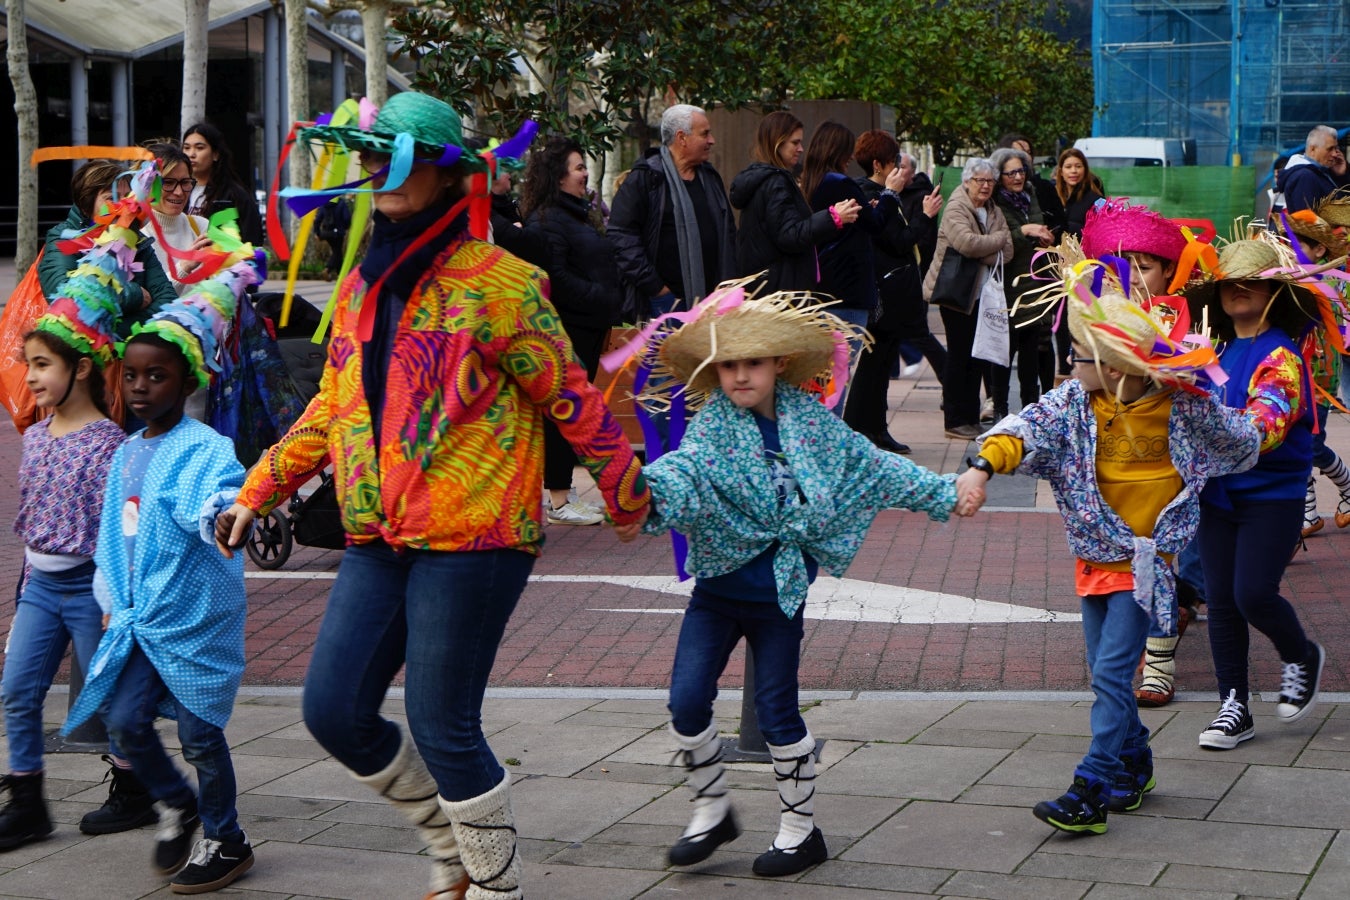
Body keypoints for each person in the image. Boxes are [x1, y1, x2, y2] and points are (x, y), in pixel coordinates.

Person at [214, 92, 651, 900]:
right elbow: (335, 403)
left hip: (475, 535)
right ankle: (452, 846)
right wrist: (262, 486)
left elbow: (572, 396)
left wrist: (626, 496)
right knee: (334, 708)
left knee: (442, 724)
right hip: (378, 530)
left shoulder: (503, 283)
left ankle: (493, 887)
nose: (377, 170)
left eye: (396, 156)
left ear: (447, 177)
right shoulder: (362, 286)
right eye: (371, 157)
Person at [631, 289, 968, 876]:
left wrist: (945, 491)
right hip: (716, 590)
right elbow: (684, 471)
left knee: (778, 712)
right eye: (729, 365)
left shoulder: (813, 425)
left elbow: (871, 465)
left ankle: (799, 830)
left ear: (779, 363)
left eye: (752, 363)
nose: (739, 376)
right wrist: (639, 490)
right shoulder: (713, 424)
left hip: (780, 593)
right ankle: (712, 808)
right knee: (686, 701)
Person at [957, 264, 1259, 835]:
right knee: (1104, 671)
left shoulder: (1180, 403)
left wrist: (1268, 420)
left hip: (1145, 567)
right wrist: (980, 466)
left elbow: (1239, 435)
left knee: (1111, 677)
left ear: (1116, 365)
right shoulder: (1072, 402)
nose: (1070, 363)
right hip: (1094, 558)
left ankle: (1090, 789)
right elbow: (1021, 429)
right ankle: (1136, 764)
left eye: (1078, 354)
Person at [63, 256, 262, 893]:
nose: (143, 387)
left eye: (159, 375)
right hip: (138, 617)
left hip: (190, 613)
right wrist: (108, 595)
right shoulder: (126, 452)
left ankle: (228, 840)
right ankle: (177, 802)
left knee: (202, 733)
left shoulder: (205, 447)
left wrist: (222, 517)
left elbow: (214, 499)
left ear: (188, 380)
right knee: (124, 722)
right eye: (133, 376)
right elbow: (115, 537)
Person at [0, 194, 152, 851]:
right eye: (28, 364)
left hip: (92, 593)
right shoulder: (35, 436)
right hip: (40, 590)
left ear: (81, 370)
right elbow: (33, 522)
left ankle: (133, 790)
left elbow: (121, 538)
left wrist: (119, 605)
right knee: (16, 691)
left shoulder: (110, 446)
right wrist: (23, 587)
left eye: (42, 366)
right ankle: (27, 799)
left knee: (114, 703)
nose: (29, 378)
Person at [1182, 237, 1333, 750]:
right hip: (1217, 497)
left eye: (1254, 282)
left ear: (1275, 294)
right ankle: (1234, 707)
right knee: (1221, 601)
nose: (1239, 291)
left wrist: (1201, 427)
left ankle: (1301, 654)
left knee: (1252, 594)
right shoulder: (1212, 353)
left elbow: (1263, 427)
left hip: (1272, 496)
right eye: (1230, 284)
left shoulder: (1283, 357)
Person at [1078, 199, 1201, 709]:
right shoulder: (1098, 310)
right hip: (1112, 460)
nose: (1129, 275)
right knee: (1122, 567)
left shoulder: (1176, 314)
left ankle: (1159, 661)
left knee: (1162, 561)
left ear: (1169, 270)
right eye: (1116, 265)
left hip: (1164, 460)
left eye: (1143, 265)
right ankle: (1125, 659)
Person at [520, 136, 625, 526]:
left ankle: (564, 495)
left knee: (570, 412)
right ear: (558, 176)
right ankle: (560, 500)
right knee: (561, 413)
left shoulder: (575, 214)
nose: (585, 174)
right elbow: (555, 280)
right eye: (579, 167)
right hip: (568, 328)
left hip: (589, 325)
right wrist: (599, 295)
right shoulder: (546, 221)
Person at [846, 131, 943, 452]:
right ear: (878, 164)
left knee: (880, 363)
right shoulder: (871, 194)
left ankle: (872, 428)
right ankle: (864, 429)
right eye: (894, 163)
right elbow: (898, 241)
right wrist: (926, 216)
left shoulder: (878, 192)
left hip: (891, 291)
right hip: (882, 291)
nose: (900, 171)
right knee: (874, 365)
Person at [608, 104, 737, 319]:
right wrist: (657, 288)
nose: (712, 140)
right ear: (682, 138)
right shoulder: (647, 179)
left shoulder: (710, 178)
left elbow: (728, 233)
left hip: (714, 304)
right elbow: (620, 237)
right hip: (663, 306)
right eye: (705, 134)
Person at [1271, 205, 1350, 539]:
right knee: (1292, 440)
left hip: (1319, 378)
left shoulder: (1336, 282)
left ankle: (1346, 486)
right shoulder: (1280, 280)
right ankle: (1309, 514)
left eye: (1297, 243)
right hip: (1287, 374)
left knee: (1312, 444)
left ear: (1319, 249)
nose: (1289, 249)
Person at [922, 158, 1014, 440]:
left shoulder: (992, 208)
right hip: (957, 294)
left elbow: (1008, 250)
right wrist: (996, 242)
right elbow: (966, 243)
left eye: (990, 181)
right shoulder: (956, 207)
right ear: (966, 182)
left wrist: (991, 245)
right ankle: (954, 419)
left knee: (978, 357)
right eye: (980, 181)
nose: (985, 186)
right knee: (959, 356)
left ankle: (970, 417)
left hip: (982, 296)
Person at [728, 111, 859, 294]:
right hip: (781, 293)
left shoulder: (763, 180)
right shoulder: (776, 182)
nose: (801, 149)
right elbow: (789, 235)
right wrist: (832, 217)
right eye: (795, 142)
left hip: (769, 290)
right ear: (777, 143)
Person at [37, 159, 177, 326]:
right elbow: (70, 300)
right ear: (85, 205)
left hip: (130, 347)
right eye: (112, 198)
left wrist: (120, 332)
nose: (124, 206)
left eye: (128, 197)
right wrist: (135, 295)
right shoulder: (63, 238)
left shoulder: (137, 240)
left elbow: (168, 301)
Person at [990, 146, 1056, 416]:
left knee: (1031, 354)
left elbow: (1040, 229)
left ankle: (1030, 411)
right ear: (999, 176)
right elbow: (996, 241)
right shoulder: (994, 202)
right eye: (1010, 173)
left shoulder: (1031, 196)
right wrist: (1022, 231)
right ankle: (1000, 410)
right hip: (1007, 287)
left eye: (1021, 171)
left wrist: (1045, 239)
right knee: (1003, 355)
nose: (1017, 177)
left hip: (1034, 284)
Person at [894, 151, 949, 381]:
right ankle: (891, 370)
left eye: (902, 166)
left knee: (915, 327)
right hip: (898, 273)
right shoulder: (894, 194)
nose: (897, 169)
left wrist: (905, 239)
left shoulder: (923, 196)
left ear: (913, 171)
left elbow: (925, 239)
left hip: (917, 272)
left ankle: (947, 371)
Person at [1054, 148, 1106, 380]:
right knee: (1060, 317)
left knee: (1079, 315)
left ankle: (1081, 366)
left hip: (1083, 269)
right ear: (1061, 171)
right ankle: (1064, 369)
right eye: (1068, 166)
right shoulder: (1053, 195)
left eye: (1078, 166)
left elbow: (1102, 230)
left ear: (1084, 169)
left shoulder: (1094, 199)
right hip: (1055, 268)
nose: (1073, 171)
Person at [142, 143, 215, 295]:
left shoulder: (201, 226)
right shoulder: (135, 237)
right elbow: (149, 300)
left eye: (185, 182)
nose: (179, 192)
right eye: (168, 182)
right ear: (148, 184)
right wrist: (184, 267)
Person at [181, 122, 265, 245]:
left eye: (199, 148)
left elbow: (252, 240)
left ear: (215, 154)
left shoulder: (234, 195)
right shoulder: (178, 191)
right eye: (186, 148)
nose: (191, 154)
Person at [1276, 126, 1344, 216]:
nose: (1335, 154)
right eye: (1330, 149)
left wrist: (1342, 175)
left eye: (1336, 149)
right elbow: (1307, 224)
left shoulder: (1321, 172)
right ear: (1312, 149)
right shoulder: (1305, 177)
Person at [314, 194, 353, 280]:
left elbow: (317, 220)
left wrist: (317, 232)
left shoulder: (324, 204)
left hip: (326, 233)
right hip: (338, 233)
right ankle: (328, 269)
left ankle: (340, 274)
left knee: (337, 251)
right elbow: (347, 218)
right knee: (337, 252)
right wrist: (345, 227)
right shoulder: (341, 203)